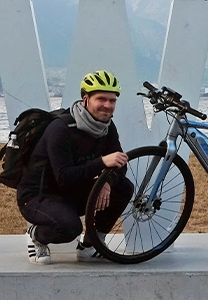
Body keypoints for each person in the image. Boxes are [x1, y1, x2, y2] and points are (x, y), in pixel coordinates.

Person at [18, 70, 134, 265]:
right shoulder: (61, 129)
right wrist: (102, 163)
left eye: (112, 100)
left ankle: (90, 245)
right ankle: (36, 236)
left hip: (72, 191)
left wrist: (106, 183)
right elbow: (64, 177)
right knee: (70, 228)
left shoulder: (107, 127)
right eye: (101, 99)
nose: (107, 105)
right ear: (86, 99)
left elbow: (119, 165)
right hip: (38, 196)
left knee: (123, 187)